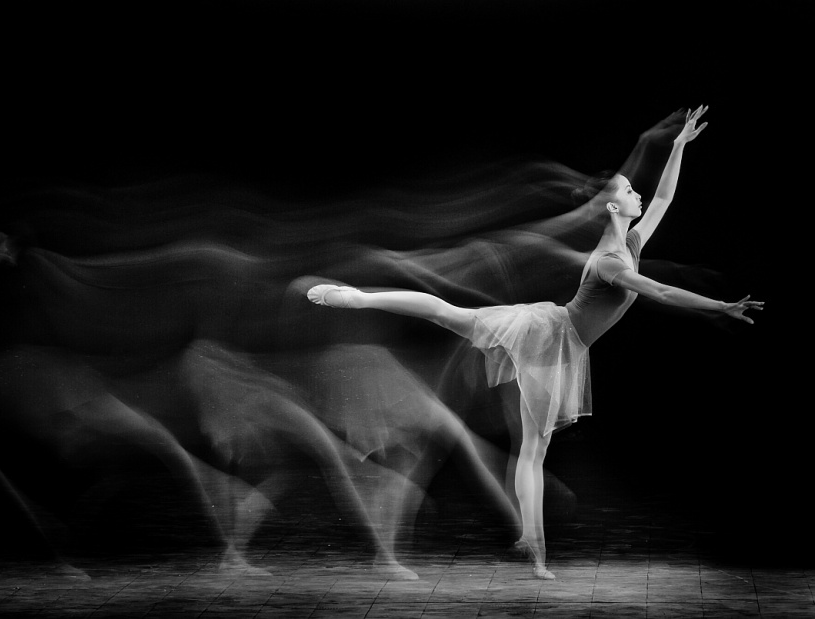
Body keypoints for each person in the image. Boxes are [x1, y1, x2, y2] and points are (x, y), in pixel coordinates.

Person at [306, 106, 763, 579]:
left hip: (564, 351)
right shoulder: (610, 261)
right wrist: (719, 305)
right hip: (546, 334)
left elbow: (665, 197)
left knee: (532, 449)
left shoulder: (630, 244)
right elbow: (661, 292)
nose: (639, 194)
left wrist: (678, 147)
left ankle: (533, 545)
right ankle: (357, 298)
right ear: (613, 208)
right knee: (450, 315)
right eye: (629, 191)